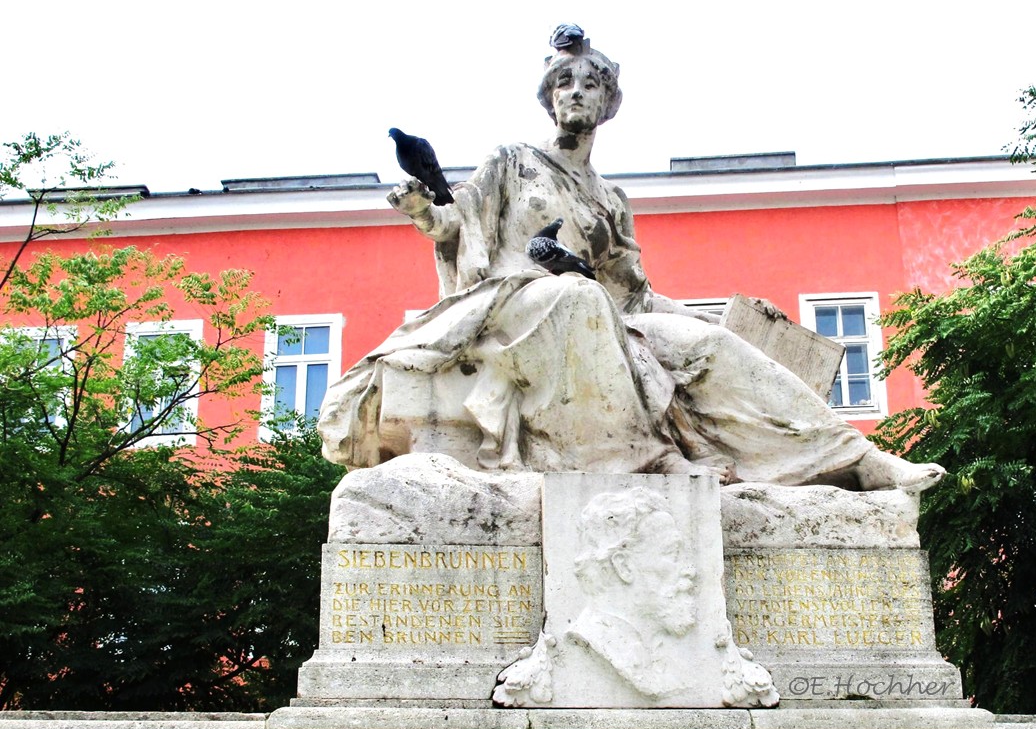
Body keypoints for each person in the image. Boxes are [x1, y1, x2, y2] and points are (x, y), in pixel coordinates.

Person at [316, 28, 944, 492]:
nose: (576, 93)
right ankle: (650, 459)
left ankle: (857, 458)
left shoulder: (610, 199)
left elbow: (634, 293)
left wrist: (709, 327)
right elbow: (461, 220)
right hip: (511, 302)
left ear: (607, 102)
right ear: (548, 97)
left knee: (709, 347)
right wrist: (426, 210)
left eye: (590, 85)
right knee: (575, 297)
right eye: (565, 83)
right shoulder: (512, 161)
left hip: (604, 310)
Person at [566, 488, 698, 698]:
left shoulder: (668, 663)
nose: (689, 571)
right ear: (624, 566)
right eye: (673, 553)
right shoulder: (593, 640)